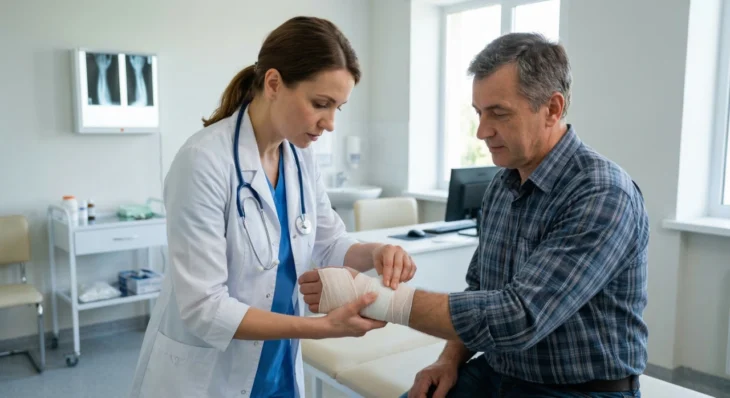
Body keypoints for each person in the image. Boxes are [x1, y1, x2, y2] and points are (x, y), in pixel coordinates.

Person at [299, 32, 649, 397]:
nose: (482, 131)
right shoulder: (502, 187)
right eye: (479, 113)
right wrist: (449, 359)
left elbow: (519, 318)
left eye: (499, 113)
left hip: (577, 390)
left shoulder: (601, 193)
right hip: (496, 372)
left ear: (553, 108)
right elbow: (483, 290)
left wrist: (373, 296)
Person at [128, 16, 416, 398]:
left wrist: (379, 252)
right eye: (320, 104)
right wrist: (322, 328)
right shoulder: (204, 161)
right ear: (274, 83)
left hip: (278, 362)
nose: (329, 123)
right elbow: (204, 307)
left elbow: (329, 244)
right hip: (209, 374)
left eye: (338, 108)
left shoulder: (300, 157)